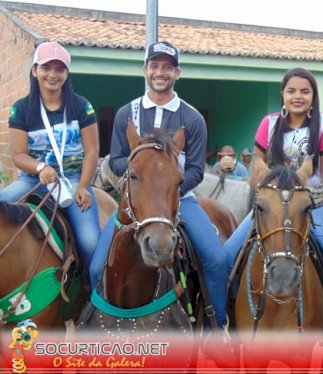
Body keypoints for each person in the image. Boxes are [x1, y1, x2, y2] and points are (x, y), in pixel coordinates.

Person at [89, 40, 228, 329]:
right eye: (155, 66)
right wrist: (140, 178)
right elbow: (115, 159)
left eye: (167, 67)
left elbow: (195, 171)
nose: (160, 72)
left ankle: (217, 327)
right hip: (134, 201)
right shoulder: (127, 114)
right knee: (94, 266)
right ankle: (95, 322)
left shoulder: (192, 118)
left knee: (215, 259)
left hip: (181, 199)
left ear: (177, 73)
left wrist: (169, 188)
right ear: (145, 70)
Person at [224, 67, 323, 328]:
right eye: (291, 91)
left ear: (313, 96)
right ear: (282, 94)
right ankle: (230, 319)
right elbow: (256, 171)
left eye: (305, 92)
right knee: (226, 256)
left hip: (311, 205)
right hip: (273, 205)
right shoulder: (268, 124)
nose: (298, 97)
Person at [0, 41, 100, 273]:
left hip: (73, 180)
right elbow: (17, 154)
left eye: (59, 69)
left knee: (90, 242)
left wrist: (84, 186)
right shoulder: (22, 108)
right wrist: (41, 167)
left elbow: (92, 151)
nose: (52, 74)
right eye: (46, 68)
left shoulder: (82, 106)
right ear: (35, 71)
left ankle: (96, 301)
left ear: (66, 73)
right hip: (32, 180)